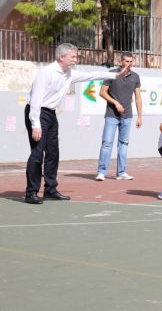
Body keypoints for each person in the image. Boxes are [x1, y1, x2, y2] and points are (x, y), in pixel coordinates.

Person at [24, 43, 129, 204]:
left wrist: (115, 75)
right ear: (62, 57)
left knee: (53, 153)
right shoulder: (46, 73)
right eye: (73, 56)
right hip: (37, 113)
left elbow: (91, 75)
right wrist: (35, 123)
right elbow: (35, 100)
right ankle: (31, 192)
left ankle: (50, 190)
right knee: (37, 154)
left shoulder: (69, 73)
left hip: (51, 114)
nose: (75, 59)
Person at [95, 52, 142, 181]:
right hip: (112, 115)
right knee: (107, 143)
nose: (129, 64)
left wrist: (139, 116)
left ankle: (121, 172)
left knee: (124, 143)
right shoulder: (112, 74)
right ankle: (101, 172)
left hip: (127, 116)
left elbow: (138, 98)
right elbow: (102, 92)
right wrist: (115, 103)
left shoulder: (135, 77)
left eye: (131, 61)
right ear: (121, 61)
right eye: (127, 61)